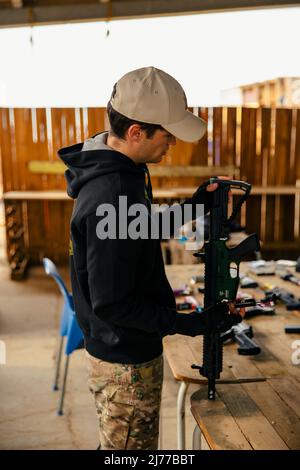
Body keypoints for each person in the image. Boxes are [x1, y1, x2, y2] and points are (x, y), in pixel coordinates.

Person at [58, 66, 244, 450]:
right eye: (167, 133)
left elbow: (133, 226)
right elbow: (112, 303)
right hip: (124, 362)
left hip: (125, 349)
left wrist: (193, 209)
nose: (173, 142)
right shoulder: (112, 192)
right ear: (136, 132)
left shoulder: (122, 168)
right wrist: (193, 324)